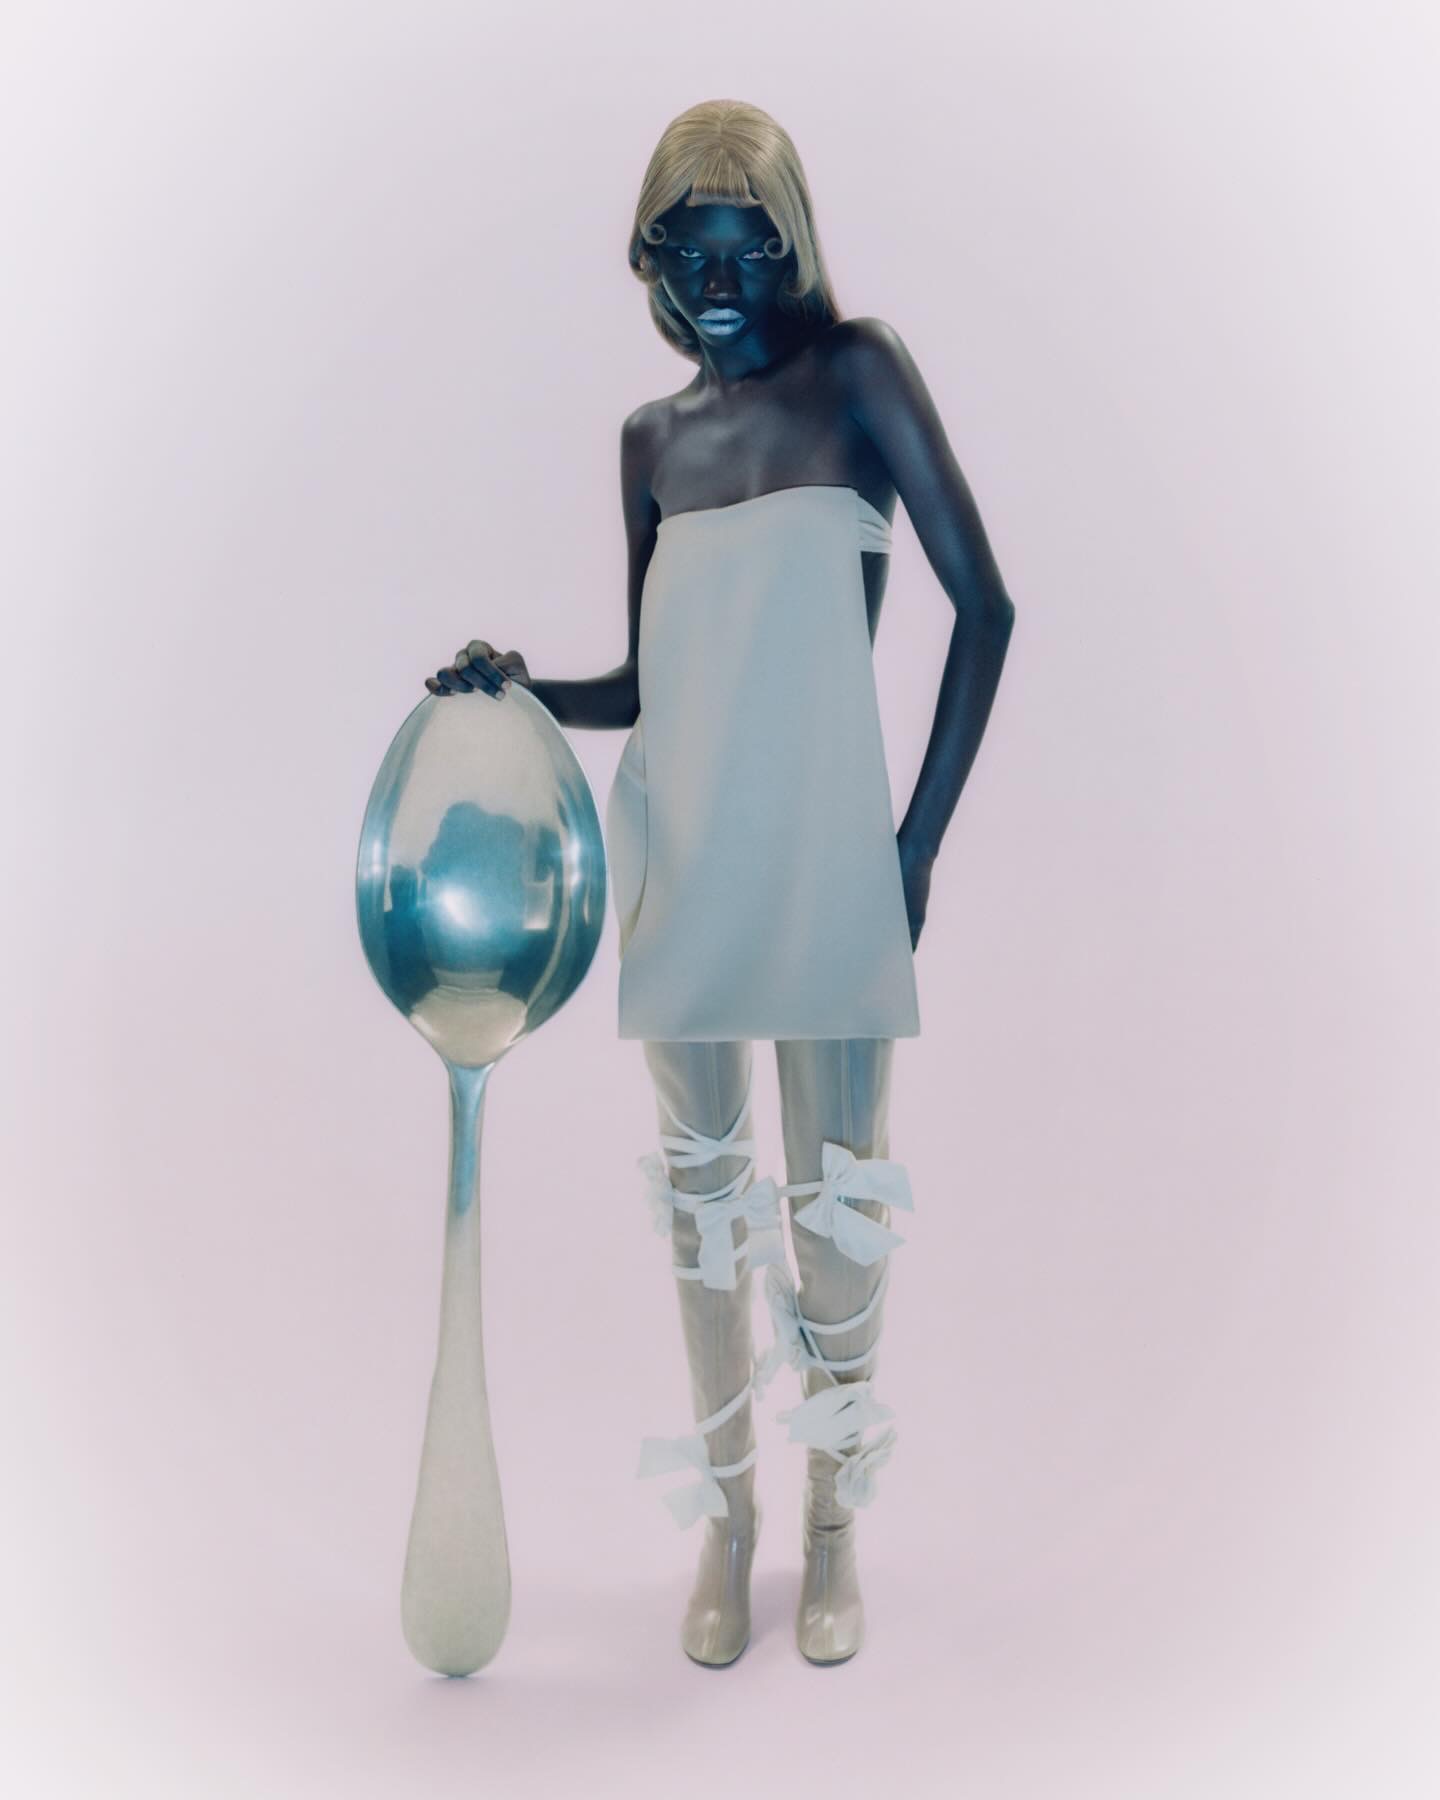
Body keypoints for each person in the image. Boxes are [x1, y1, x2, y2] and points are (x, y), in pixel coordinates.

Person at [424, 98, 1015, 1667]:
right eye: (690, 255)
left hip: (830, 858)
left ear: (793, 244)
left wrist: (914, 850)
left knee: (838, 1208)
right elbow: (652, 680)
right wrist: (523, 686)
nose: (722, 283)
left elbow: (987, 610)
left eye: (750, 251)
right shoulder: (654, 443)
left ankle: (834, 1525)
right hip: (682, 856)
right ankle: (730, 1519)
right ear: (652, 261)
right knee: (702, 1205)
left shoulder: (859, 378)